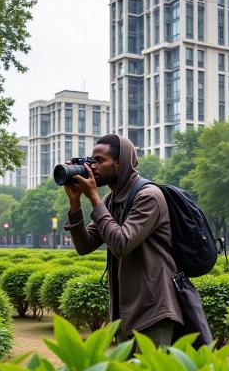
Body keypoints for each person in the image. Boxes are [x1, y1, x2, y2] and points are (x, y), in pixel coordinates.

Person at [63, 134, 183, 347]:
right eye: (91, 161)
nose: (93, 167)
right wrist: (75, 204)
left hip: (154, 310)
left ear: (120, 163)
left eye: (99, 161)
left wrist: (93, 198)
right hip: (125, 312)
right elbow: (84, 246)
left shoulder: (149, 196)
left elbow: (121, 243)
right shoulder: (111, 201)